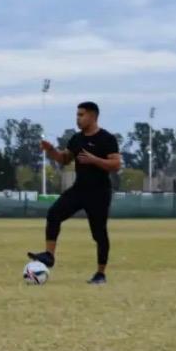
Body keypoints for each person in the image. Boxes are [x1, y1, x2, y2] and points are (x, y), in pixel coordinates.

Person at [28, 102, 122, 284]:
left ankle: (100, 274)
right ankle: (49, 255)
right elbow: (64, 159)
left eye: (81, 115)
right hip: (79, 189)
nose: (77, 118)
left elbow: (116, 165)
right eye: (77, 115)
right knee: (54, 214)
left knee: (99, 234)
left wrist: (94, 160)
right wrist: (51, 151)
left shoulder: (107, 139)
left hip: (99, 192)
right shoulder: (76, 139)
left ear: (93, 116)